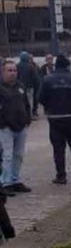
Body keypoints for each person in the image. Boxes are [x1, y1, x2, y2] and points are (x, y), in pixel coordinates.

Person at [39, 55, 71, 185]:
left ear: (56, 65)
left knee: (58, 149)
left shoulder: (47, 79)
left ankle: (61, 176)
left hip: (55, 118)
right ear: (67, 66)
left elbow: (41, 98)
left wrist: (49, 106)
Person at [0, 60, 32, 195]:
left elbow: (26, 104)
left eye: (14, 70)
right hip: (6, 127)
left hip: (21, 126)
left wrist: (28, 119)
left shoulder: (21, 86)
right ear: (3, 72)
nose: (13, 73)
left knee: (18, 155)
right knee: (7, 155)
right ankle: (5, 182)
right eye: (9, 70)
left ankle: (15, 179)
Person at [16, 52, 40, 118]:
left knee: (20, 100)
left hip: (19, 87)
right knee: (29, 101)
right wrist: (37, 86)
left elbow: (16, 77)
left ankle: (22, 115)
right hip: (30, 87)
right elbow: (35, 78)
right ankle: (30, 115)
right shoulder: (31, 66)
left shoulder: (17, 66)